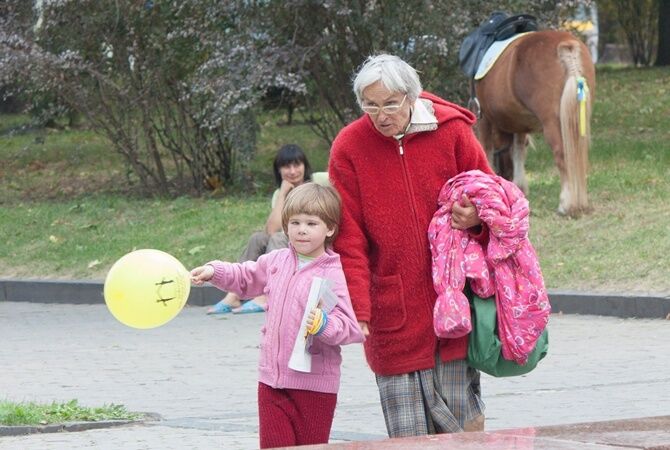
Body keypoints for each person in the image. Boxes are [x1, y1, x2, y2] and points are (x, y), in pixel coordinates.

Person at [328, 54, 495, 437]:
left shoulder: (452, 132)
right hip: (392, 310)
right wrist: (358, 306)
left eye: (389, 104)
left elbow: (494, 198)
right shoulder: (349, 147)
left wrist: (476, 220)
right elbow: (348, 237)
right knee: (406, 438)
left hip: (452, 305)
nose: (380, 115)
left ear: (411, 97)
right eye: (370, 105)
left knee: (464, 430)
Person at [191, 183, 364, 448]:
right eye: (294, 222)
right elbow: (245, 276)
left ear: (330, 228)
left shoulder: (334, 273)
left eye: (311, 223)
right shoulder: (276, 261)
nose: (301, 229)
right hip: (271, 381)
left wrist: (325, 325)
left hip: (315, 387)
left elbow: (350, 328)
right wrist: (215, 272)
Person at [207, 143, 312, 314]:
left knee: (278, 238)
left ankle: (266, 295)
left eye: (297, 165)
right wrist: (284, 193)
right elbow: (271, 229)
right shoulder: (280, 193)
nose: (292, 171)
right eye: (287, 166)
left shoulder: (317, 183)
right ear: (279, 170)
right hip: (291, 237)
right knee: (258, 238)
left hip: (313, 237)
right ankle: (234, 295)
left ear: (305, 166)